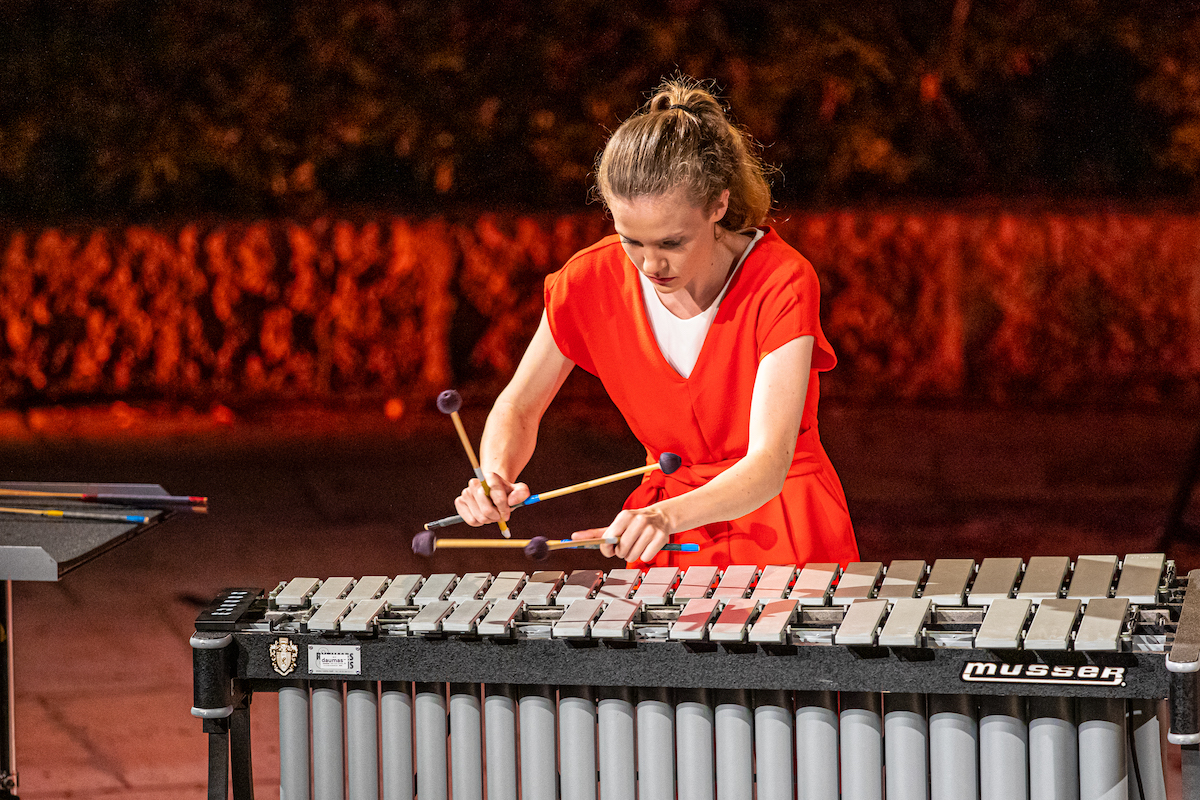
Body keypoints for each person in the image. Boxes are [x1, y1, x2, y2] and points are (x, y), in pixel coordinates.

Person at [454, 76, 859, 569]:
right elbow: (519, 404)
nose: (649, 265)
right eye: (631, 240)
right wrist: (494, 475)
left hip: (785, 523)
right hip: (666, 534)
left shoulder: (781, 280)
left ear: (719, 204)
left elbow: (768, 464)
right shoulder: (590, 280)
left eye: (671, 243)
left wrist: (667, 516)